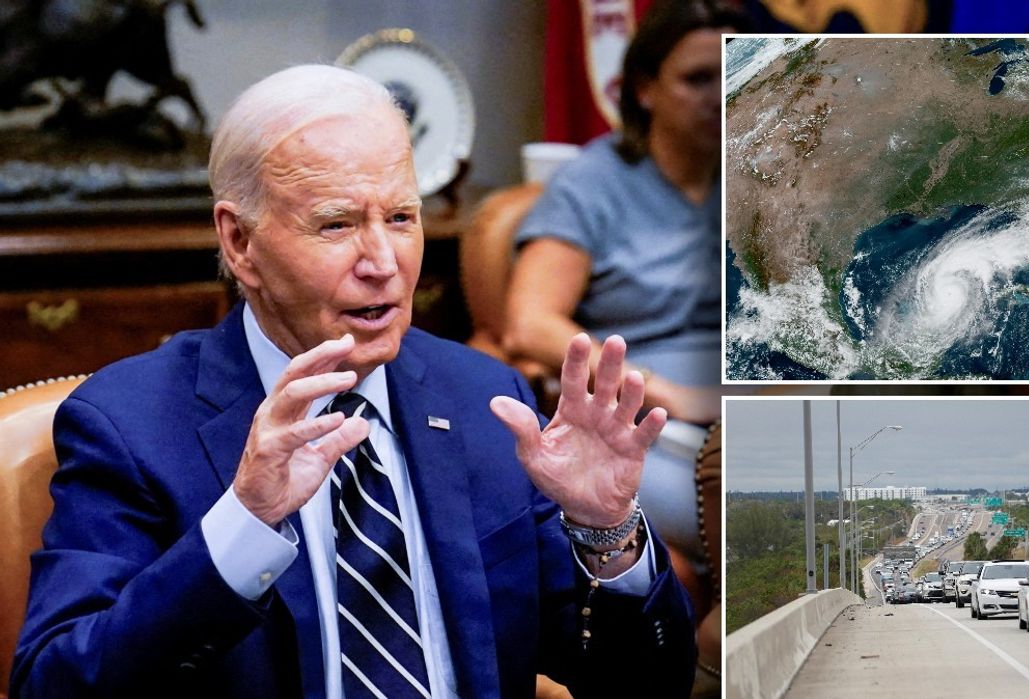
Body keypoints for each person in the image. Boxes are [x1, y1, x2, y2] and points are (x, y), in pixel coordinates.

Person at [12, 65, 695, 698]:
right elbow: (58, 680)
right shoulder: (129, 424)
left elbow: (637, 682)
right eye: (336, 224)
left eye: (400, 217)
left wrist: (606, 535)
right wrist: (243, 523)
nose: (383, 262)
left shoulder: (485, 399)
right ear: (240, 242)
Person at [505, 0, 743, 582]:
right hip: (640, 416)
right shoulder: (595, 182)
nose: (721, 94)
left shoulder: (760, 171)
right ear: (643, 90)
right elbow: (528, 323)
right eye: (696, 79)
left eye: (736, 71)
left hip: (754, 401)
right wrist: (670, 394)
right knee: (757, 521)